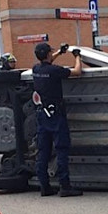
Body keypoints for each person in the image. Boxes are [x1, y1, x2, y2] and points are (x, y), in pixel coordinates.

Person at [32, 42, 84, 197]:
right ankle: (65, 186)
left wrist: (60, 53)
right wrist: (77, 56)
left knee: (43, 152)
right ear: (48, 54)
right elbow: (77, 71)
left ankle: (44, 186)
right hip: (56, 115)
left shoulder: (36, 69)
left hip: (42, 114)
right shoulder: (55, 71)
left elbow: (47, 61)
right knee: (61, 149)